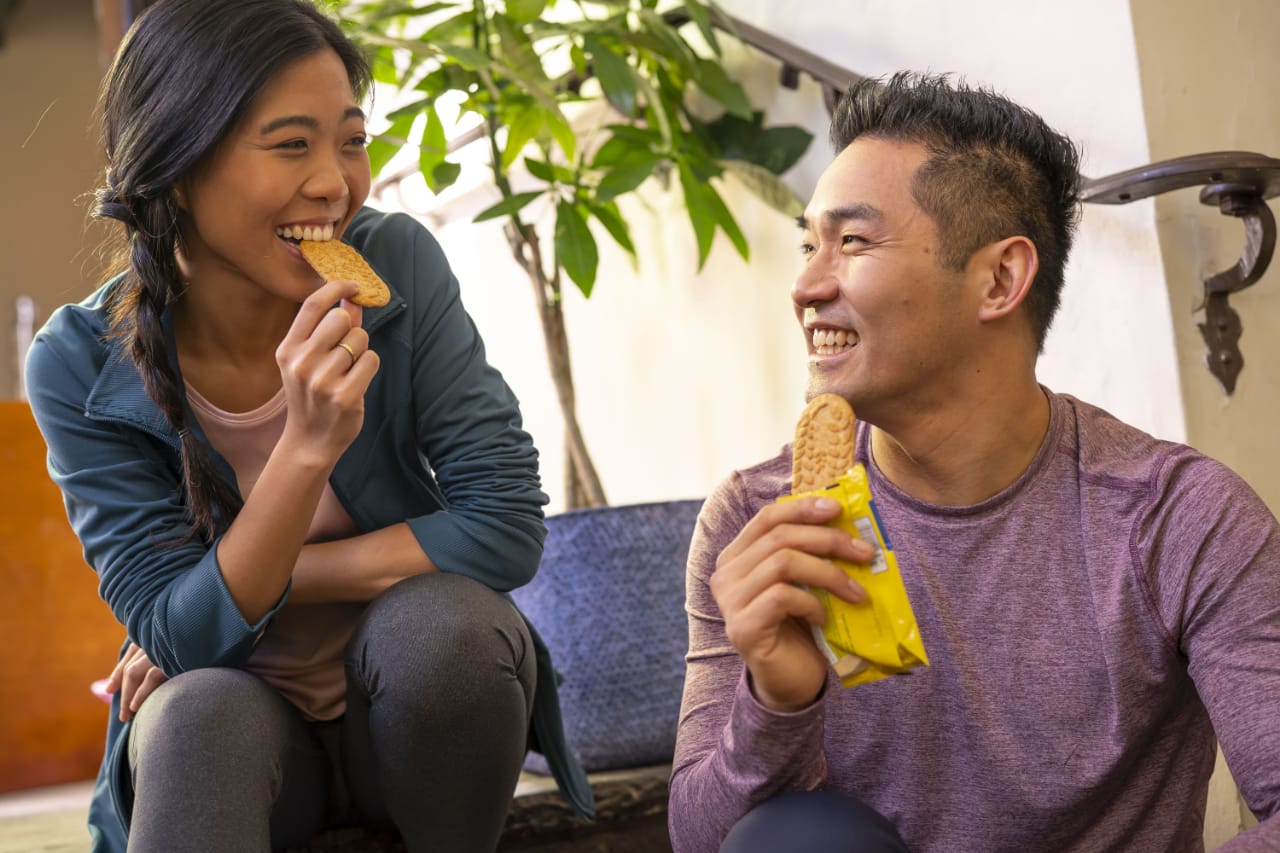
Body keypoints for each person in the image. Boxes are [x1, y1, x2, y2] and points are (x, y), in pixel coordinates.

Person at [23, 1, 592, 850]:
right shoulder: (76, 362)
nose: (335, 181)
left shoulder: (395, 263)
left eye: (351, 140)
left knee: (448, 630)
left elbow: (504, 526)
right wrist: (306, 448)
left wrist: (246, 583)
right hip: (241, 731)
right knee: (195, 711)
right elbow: (183, 638)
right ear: (176, 166)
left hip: (406, 718)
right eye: (291, 143)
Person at [668, 72, 1280, 852]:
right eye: (808, 243)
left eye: (852, 241)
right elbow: (702, 841)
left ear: (999, 278)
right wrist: (778, 701)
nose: (805, 285)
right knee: (794, 836)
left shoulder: (1177, 517)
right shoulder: (759, 523)